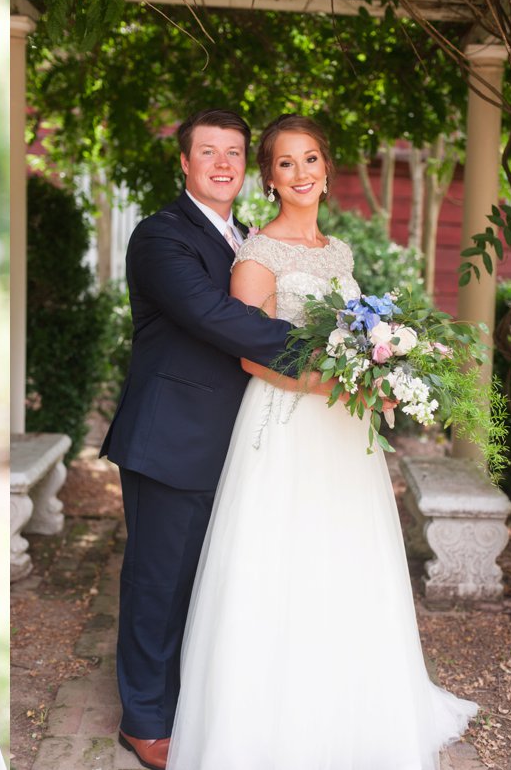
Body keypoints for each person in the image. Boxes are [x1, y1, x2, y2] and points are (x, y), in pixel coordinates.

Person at [166, 114, 477, 769]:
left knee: (348, 555)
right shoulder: (257, 255)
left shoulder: (340, 254)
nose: (301, 173)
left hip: (344, 429)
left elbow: (357, 337)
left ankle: (355, 706)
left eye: (310, 159)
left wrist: (383, 375)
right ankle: (276, 725)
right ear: (270, 179)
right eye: (286, 163)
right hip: (287, 424)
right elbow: (251, 356)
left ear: (327, 170)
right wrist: (344, 385)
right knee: (286, 559)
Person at [99, 109, 303, 770]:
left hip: (238, 439)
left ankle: (194, 697)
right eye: (208, 151)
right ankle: (144, 719)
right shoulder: (161, 236)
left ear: (246, 167)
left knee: (211, 579)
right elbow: (217, 317)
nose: (222, 163)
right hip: (173, 439)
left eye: (233, 152)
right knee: (159, 584)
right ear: (184, 163)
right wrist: (331, 351)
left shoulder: (248, 238)